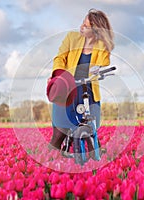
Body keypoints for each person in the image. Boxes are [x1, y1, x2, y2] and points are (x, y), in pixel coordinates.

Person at [47, 8, 114, 157]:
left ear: (96, 30)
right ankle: (49, 162)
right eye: (83, 23)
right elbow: (59, 58)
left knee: (91, 127)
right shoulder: (72, 38)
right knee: (59, 133)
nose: (81, 27)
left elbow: (104, 62)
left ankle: (94, 161)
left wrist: (98, 68)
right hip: (67, 89)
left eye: (86, 26)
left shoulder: (102, 45)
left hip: (87, 90)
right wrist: (57, 75)